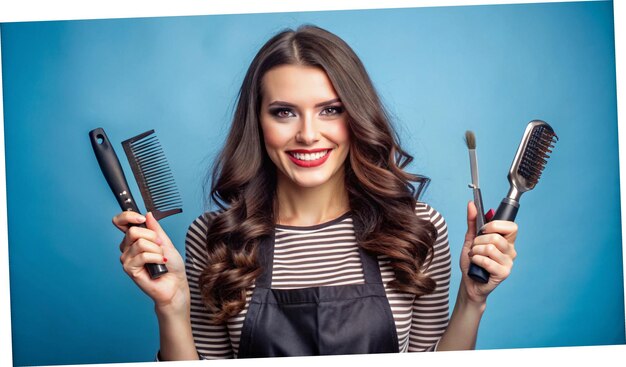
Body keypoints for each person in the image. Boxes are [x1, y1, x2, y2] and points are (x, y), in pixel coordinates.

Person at [113, 25, 517, 360]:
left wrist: (472, 299)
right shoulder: (215, 238)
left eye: (330, 109)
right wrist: (171, 307)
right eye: (284, 112)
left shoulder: (415, 229)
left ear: (356, 116)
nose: (308, 134)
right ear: (258, 123)